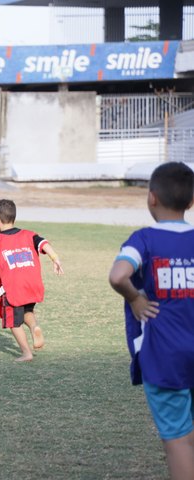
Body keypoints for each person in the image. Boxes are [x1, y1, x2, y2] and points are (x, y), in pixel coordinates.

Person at [108, 162, 194, 480]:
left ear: (151, 198)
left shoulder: (143, 239)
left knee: (179, 442)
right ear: (191, 202)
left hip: (165, 356)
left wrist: (135, 298)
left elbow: (119, 275)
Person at [0, 199, 63, 362]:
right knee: (26, 311)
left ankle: (26, 353)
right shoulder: (29, 234)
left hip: (13, 289)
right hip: (32, 285)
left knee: (13, 322)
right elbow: (43, 243)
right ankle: (34, 327)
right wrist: (55, 258)